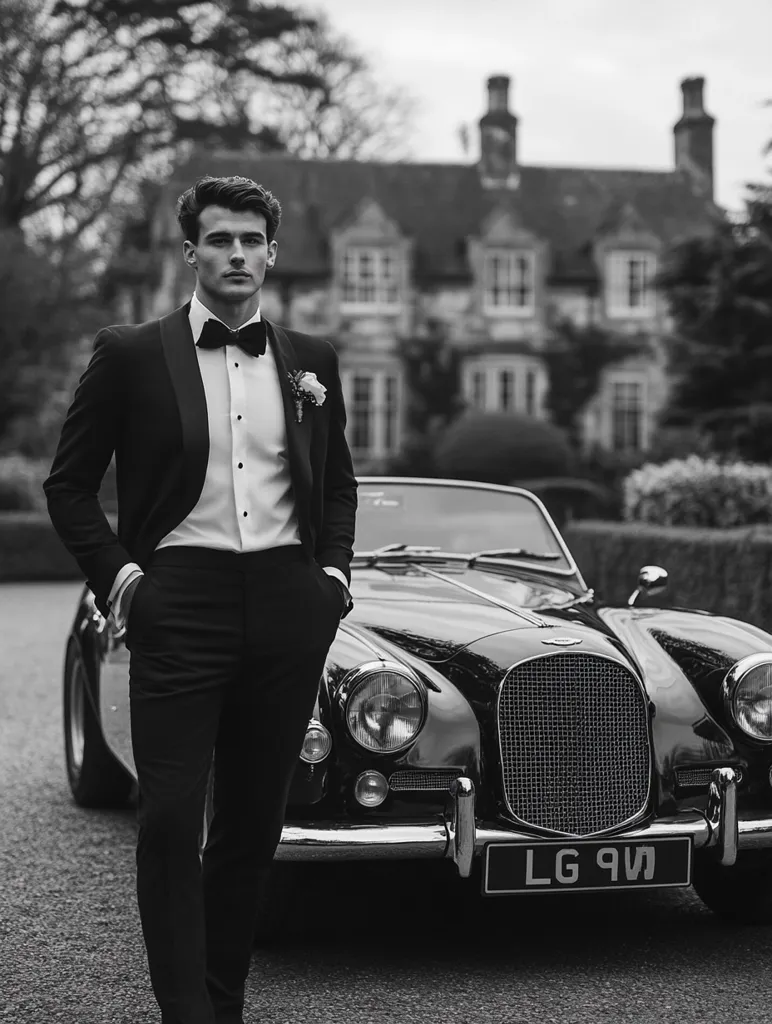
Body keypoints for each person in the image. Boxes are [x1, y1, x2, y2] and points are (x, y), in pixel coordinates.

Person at [44, 174, 358, 1024]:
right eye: (221, 240)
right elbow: (69, 488)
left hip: (289, 607)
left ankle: (225, 1001)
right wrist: (126, 582)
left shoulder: (311, 362)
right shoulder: (131, 354)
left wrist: (331, 580)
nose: (238, 255)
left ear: (272, 254)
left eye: (253, 241)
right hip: (178, 600)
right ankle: (184, 1010)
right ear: (191, 252)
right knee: (172, 819)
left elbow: (336, 489)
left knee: (254, 826)